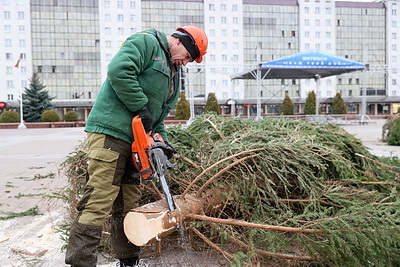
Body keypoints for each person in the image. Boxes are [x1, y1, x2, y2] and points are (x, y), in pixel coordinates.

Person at [65, 25, 208, 267]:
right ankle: (81, 263)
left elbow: (156, 118)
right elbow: (119, 70)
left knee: (128, 204)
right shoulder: (146, 43)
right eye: (188, 57)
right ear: (182, 42)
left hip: (136, 141)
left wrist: (160, 142)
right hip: (111, 133)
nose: (185, 63)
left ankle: (129, 261)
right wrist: (141, 106)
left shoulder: (173, 75)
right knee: (99, 199)